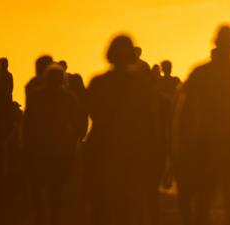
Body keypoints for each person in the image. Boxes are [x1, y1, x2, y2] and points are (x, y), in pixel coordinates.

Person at [173, 25, 230, 225]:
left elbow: (183, 112)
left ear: (215, 43)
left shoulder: (201, 72)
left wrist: (180, 142)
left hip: (209, 141)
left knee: (204, 200)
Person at [86, 35, 167, 225]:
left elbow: (92, 116)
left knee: (103, 209)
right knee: (130, 210)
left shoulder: (98, 83)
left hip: (105, 153)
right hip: (133, 154)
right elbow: (152, 124)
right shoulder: (142, 86)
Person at [24, 63, 83, 225]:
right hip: (58, 150)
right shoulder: (69, 98)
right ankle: (52, 215)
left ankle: (41, 214)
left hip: (42, 149)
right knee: (55, 188)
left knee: (42, 186)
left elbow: (27, 124)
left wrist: (26, 146)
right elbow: (77, 126)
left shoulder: (36, 97)